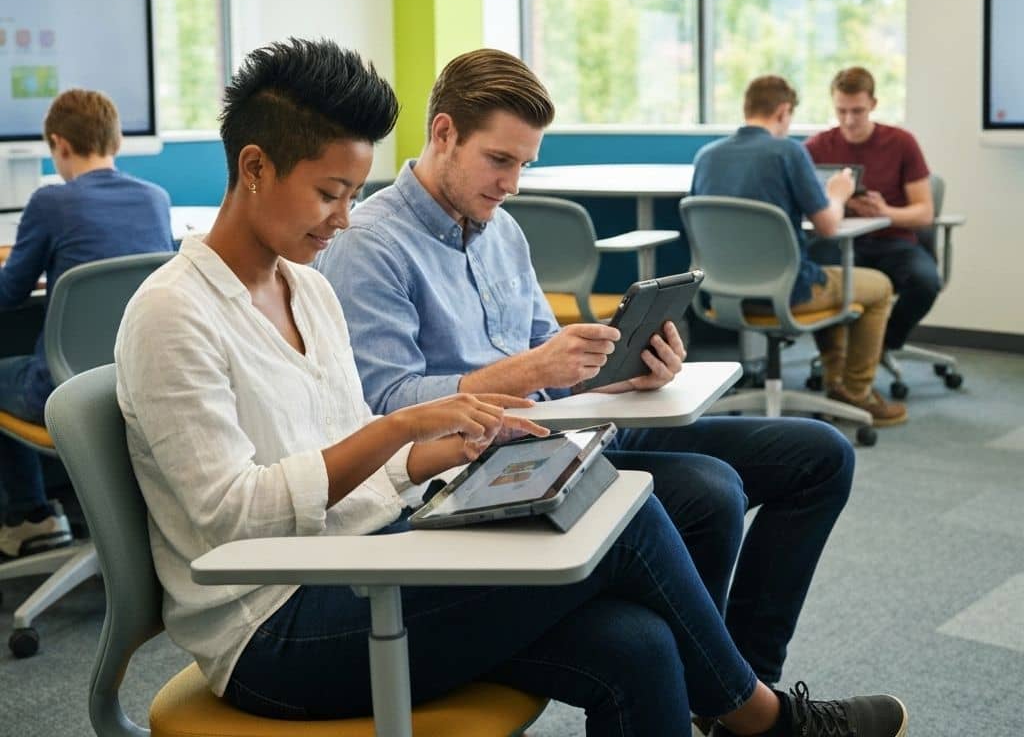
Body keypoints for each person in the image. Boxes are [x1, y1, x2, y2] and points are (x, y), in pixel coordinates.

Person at [115, 38, 907, 737]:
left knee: (640, 645)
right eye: (330, 194)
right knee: (627, 509)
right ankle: (764, 720)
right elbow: (231, 519)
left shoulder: (307, 287)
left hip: (370, 549)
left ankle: (746, 710)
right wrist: (404, 430)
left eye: (353, 194)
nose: (345, 219)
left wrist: (439, 451)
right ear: (255, 167)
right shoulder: (174, 314)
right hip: (271, 627)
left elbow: (358, 460)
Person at [321, 49, 860, 707]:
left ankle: (739, 683)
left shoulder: (501, 229)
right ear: (443, 134)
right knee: (711, 491)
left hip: (567, 427)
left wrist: (622, 369)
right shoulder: (371, 243)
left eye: (525, 165)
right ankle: (736, 699)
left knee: (820, 455)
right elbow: (385, 407)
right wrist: (534, 369)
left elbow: (549, 362)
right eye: (499, 160)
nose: (513, 183)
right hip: (481, 465)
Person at [0, 88, 173, 558]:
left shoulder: (51, 203)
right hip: (136, 384)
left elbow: (10, 293)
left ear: (59, 144)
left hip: (60, 391)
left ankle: (31, 516)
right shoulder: (156, 199)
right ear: (116, 140)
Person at [691, 75, 904, 427]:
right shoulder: (788, 152)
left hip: (721, 295)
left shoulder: (706, 157)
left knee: (829, 274)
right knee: (878, 286)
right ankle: (856, 392)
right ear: (783, 111)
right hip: (788, 294)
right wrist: (838, 194)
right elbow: (828, 227)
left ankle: (836, 382)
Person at [806, 66, 939, 355]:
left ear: (873, 105)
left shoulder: (901, 142)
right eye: (841, 111)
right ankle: (834, 357)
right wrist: (840, 202)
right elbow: (805, 208)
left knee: (926, 283)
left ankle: (877, 348)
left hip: (892, 241)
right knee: (815, 274)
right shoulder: (816, 147)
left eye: (857, 111)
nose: (849, 120)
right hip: (838, 242)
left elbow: (924, 213)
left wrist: (885, 212)